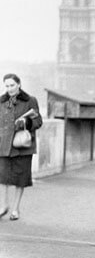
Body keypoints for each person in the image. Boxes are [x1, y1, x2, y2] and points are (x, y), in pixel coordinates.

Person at [0, 73, 43, 220]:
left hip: (22, 146)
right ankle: (3, 206)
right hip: (3, 145)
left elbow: (38, 122)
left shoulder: (30, 101)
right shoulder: (1, 101)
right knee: (2, 177)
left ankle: (15, 209)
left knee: (20, 178)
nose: (9, 88)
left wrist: (26, 123)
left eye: (12, 85)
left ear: (19, 84)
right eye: (7, 85)